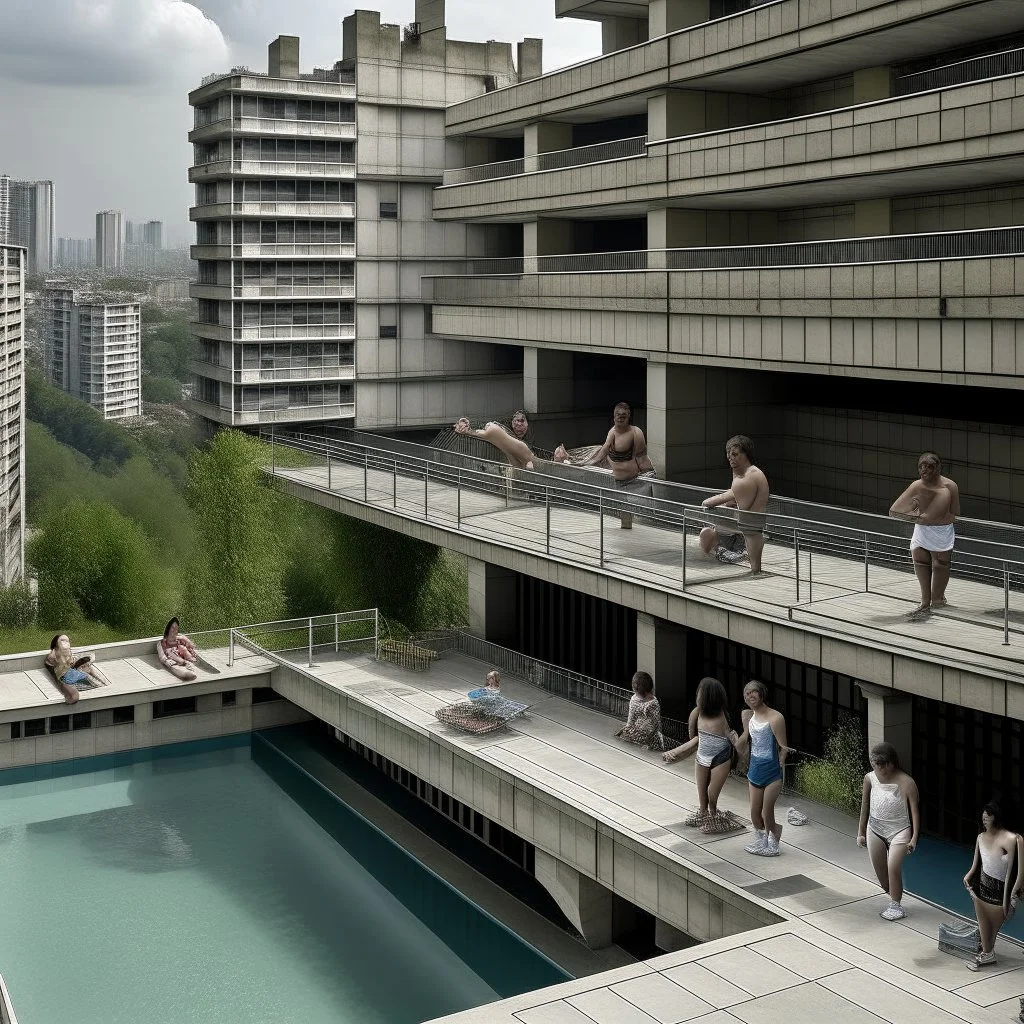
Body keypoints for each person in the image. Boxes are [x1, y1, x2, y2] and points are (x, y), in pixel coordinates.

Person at [555, 403, 657, 529]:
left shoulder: (636, 433)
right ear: (614, 417)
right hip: (615, 479)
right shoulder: (612, 432)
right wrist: (585, 463)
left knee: (633, 514)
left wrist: (648, 474)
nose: (620, 418)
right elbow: (603, 451)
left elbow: (641, 458)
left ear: (628, 417)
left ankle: (630, 526)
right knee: (623, 514)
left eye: (623, 416)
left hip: (632, 478)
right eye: (617, 415)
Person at [889, 452, 960, 618]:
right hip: (921, 530)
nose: (924, 470)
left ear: (938, 468)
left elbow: (955, 512)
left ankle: (937, 599)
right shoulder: (916, 486)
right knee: (920, 561)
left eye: (929, 467)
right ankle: (925, 601)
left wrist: (926, 516)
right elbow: (895, 510)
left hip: (942, 531)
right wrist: (918, 515)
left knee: (940, 564)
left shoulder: (950, 486)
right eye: (921, 466)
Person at [663, 677, 737, 833]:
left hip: (721, 757)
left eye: (700, 695)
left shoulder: (722, 716)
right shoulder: (696, 713)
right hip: (702, 756)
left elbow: (730, 736)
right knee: (702, 793)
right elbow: (692, 734)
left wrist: (737, 744)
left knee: (711, 794)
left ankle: (714, 814)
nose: (697, 697)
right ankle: (704, 814)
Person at [857, 742, 920, 921]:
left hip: (899, 830)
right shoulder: (869, 778)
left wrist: (914, 838)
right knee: (882, 875)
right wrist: (861, 831)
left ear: (892, 763)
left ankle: (896, 904)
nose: (880, 769)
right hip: (875, 827)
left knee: (893, 867)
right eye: (876, 765)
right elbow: (865, 805)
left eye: (883, 764)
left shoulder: (907, 782)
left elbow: (914, 812)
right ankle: (893, 895)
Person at [963, 799, 1024, 970]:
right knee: (985, 928)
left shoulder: (1013, 839)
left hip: (1001, 892)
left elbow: (1018, 872)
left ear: (996, 818)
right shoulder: (980, 837)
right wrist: (967, 877)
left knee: (992, 929)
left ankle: (987, 952)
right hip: (982, 890)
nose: (985, 821)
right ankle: (987, 953)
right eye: (983, 819)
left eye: (988, 818)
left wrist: (1010, 896)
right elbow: (976, 865)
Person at [733, 680, 790, 857]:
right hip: (754, 770)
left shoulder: (776, 717)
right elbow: (744, 739)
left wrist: (781, 761)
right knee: (754, 814)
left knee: (767, 812)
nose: (750, 696)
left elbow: (784, 747)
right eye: (746, 693)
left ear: (762, 694)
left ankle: (772, 842)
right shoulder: (749, 716)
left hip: (772, 772)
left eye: (753, 692)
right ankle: (765, 837)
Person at [699, 435, 770, 573]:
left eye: (735, 454)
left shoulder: (745, 479)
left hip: (749, 527)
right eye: (729, 454)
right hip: (750, 528)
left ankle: (751, 567)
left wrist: (709, 502)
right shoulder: (747, 473)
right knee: (707, 532)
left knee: (706, 530)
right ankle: (752, 568)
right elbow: (733, 497)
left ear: (746, 455)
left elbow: (734, 498)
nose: (730, 458)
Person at [454, 411, 537, 470]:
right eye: (516, 421)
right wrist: (468, 426)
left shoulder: (531, 435)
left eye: (522, 421)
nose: (519, 424)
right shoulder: (503, 428)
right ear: (512, 422)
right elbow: (484, 427)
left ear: (527, 423)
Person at [44, 633, 106, 705]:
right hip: (65, 676)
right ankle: (99, 684)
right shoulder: (53, 655)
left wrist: (80, 662)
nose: (65, 642)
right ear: (56, 643)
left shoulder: (68, 653)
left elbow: (72, 663)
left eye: (67, 641)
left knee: (89, 673)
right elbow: (50, 665)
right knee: (87, 677)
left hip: (70, 672)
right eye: (62, 640)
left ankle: (101, 683)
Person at [616, 671, 666, 750]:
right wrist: (626, 729)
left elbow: (654, 724)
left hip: (648, 735)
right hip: (638, 733)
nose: (635, 686)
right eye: (634, 683)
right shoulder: (634, 699)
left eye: (638, 684)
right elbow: (631, 719)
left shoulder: (652, 702)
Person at [157, 617, 199, 682]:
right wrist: (168, 662)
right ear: (168, 629)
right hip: (172, 659)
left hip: (184, 657)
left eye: (176, 628)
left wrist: (185, 639)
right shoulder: (163, 642)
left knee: (183, 648)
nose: (174, 630)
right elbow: (162, 656)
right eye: (173, 628)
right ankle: (185, 665)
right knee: (170, 651)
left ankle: (192, 663)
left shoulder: (180, 640)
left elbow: (192, 646)